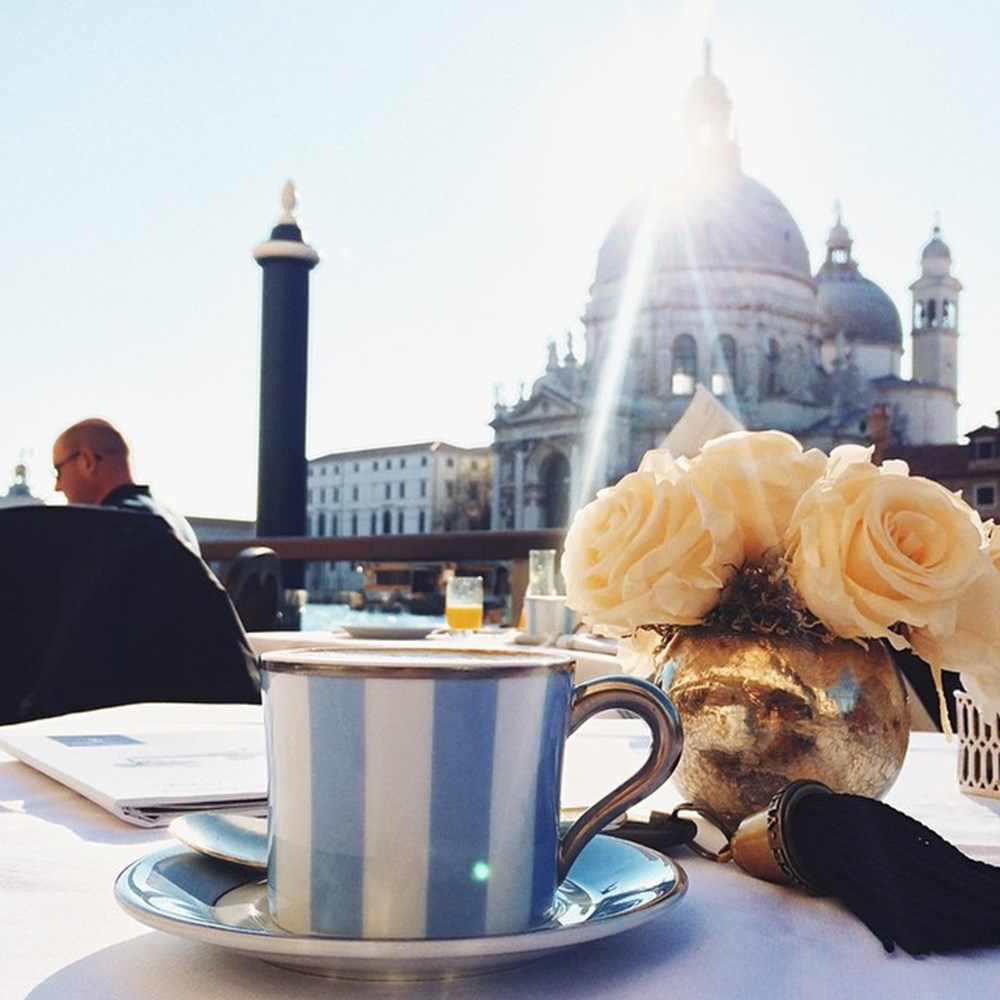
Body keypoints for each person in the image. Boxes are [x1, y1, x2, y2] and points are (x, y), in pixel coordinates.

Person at [52, 417, 200, 554]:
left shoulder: (112, 527)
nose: (57, 487)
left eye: (58, 471)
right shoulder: (175, 521)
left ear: (87, 461)